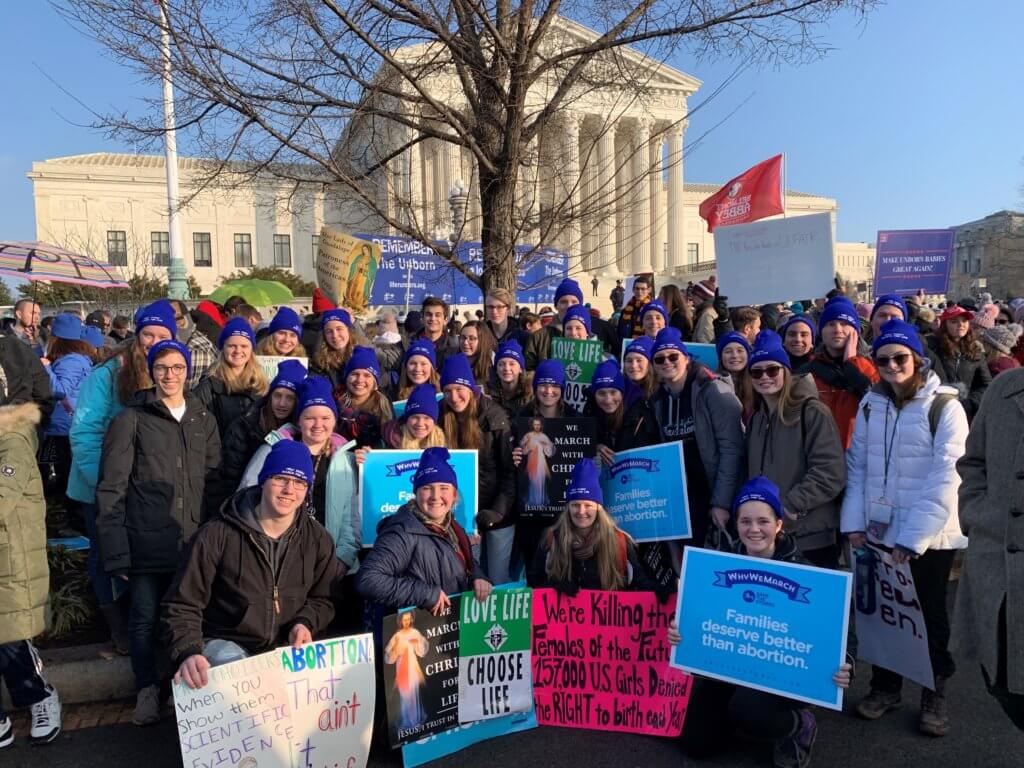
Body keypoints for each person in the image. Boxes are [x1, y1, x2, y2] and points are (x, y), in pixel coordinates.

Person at [841, 319, 968, 736]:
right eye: (883, 358)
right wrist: (855, 524)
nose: (893, 365)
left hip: (929, 535)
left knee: (928, 615)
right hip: (880, 529)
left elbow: (948, 477)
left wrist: (914, 539)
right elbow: (857, 466)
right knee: (882, 612)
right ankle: (886, 686)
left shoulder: (944, 407)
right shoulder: (871, 404)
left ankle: (934, 691)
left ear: (916, 358)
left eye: (900, 357)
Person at [672, 476, 852, 767]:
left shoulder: (806, 573)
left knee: (748, 707)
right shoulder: (720, 565)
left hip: (779, 678)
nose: (754, 529)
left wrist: (847, 665)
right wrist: (679, 629)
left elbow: (840, 633)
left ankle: (797, 724)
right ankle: (736, 717)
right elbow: (697, 615)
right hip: (730, 669)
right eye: (745, 521)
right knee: (695, 741)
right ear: (737, 524)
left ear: (779, 524)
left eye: (763, 521)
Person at [96, 339, 220, 725]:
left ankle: (180, 689)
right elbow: (111, 489)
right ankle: (147, 688)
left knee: (192, 619)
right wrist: (116, 551)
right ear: (151, 371)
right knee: (144, 618)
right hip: (145, 541)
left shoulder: (202, 418)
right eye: (162, 368)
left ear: (188, 371)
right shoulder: (131, 419)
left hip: (193, 540)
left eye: (177, 368)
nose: (170, 375)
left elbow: (215, 481)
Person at [165, 440, 337, 687]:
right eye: (281, 479)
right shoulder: (216, 535)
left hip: (284, 647)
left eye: (299, 482)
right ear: (264, 479)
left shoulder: (317, 539)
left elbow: (324, 599)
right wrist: (189, 651)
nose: (289, 490)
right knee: (234, 666)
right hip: (225, 642)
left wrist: (304, 622)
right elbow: (182, 603)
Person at [68, 299, 176, 652]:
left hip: (144, 489)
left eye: (163, 334)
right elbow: (85, 433)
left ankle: (144, 620)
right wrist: (110, 482)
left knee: (139, 556)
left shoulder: (169, 373)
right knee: (105, 555)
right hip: (101, 485)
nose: (154, 340)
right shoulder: (108, 375)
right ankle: (117, 626)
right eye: (149, 333)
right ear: (137, 334)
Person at [241, 377, 361, 620]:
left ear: (335, 421)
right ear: (299, 420)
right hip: (280, 563)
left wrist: (341, 559)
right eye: (310, 417)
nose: (318, 424)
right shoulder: (274, 449)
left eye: (326, 418)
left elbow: (354, 516)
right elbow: (247, 496)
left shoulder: (345, 459)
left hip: (330, 566)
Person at [955, 367, 1024, 730]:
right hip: (997, 573)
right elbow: (973, 462)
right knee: (1002, 685)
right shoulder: (1004, 388)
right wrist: (976, 516)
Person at [745, 330, 847, 567]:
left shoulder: (810, 412)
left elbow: (831, 473)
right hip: (770, 537)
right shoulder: (757, 419)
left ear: (786, 372)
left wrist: (789, 506)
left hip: (810, 537)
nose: (764, 377)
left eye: (772, 370)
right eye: (757, 372)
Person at [356, 446, 492, 618]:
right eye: (427, 488)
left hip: (448, 631)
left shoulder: (451, 527)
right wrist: (424, 594)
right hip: (414, 635)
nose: (435, 496)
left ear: (454, 494)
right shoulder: (402, 532)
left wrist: (477, 578)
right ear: (416, 494)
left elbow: (463, 563)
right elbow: (368, 580)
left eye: (444, 488)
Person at [0, 401, 62, 747]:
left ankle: (40, 697)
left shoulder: (13, 438)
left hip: (11, 556)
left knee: (10, 637)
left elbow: (2, 496)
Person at [650, 327, 744, 550]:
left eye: (673, 356)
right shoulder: (659, 400)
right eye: (660, 358)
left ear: (686, 358)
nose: (667, 362)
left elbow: (732, 449)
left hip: (716, 493)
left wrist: (721, 502)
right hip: (686, 501)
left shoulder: (712, 389)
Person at [438, 354, 516, 583]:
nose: (454, 397)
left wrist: (499, 511)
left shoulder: (494, 418)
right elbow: (412, 426)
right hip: (460, 516)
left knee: (497, 579)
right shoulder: (441, 414)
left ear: (471, 389)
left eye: (459, 389)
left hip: (497, 512)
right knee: (468, 577)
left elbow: (510, 471)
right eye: (448, 390)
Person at [528, 459, 656, 593]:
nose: (581, 511)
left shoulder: (619, 541)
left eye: (588, 505)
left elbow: (639, 580)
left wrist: (655, 590)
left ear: (598, 508)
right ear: (568, 508)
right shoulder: (552, 539)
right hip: (565, 612)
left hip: (606, 612)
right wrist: (553, 586)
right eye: (575, 505)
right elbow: (534, 581)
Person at [209, 359, 306, 518]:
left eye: (290, 398)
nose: (282, 403)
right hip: (244, 507)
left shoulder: (300, 433)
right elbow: (227, 477)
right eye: (277, 395)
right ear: (270, 396)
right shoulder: (244, 426)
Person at [804, 297, 879, 449]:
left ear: (855, 331)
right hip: (822, 454)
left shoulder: (873, 367)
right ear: (821, 331)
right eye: (831, 324)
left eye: (844, 324)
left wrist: (852, 363)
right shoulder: (808, 371)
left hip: (860, 454)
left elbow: (879, 404)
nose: (837, 329)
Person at [38, 315, 93, 505]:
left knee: (66, 470)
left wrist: (46, 368)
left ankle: (72, 516)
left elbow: (60, 390)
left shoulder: (70, 361)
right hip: (67, 423)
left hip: (64, 425)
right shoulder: (78, 358)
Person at [193, 317, 268, 440]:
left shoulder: (261, 384)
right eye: (232, 346)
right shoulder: (208, 387)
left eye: (244, 346)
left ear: (251, 349)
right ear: (223, 348)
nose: (238, 351)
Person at [525, 278, 620, 368]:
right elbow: (529, 368)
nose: (569, 306)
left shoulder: (594, 333)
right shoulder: (539, 337)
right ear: (556, 305)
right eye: (563, 302)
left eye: (574, 302)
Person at [585, 359, 659, 465]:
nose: (608, 400)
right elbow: (582, 442)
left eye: (613, 392)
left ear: (622, 393)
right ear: (594, 395)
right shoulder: (590, 411)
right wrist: (595, 447)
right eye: (601, 393)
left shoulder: (640, 414)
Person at [928, 305, 991, 422]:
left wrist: (970, 402)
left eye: (964, 321)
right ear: (944, 325)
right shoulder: (931, 347)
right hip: (935, 408)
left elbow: (986, 384)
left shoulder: (975, 349)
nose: (961, 325)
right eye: (954, 321)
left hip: (965, 412)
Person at [334, 346, 394, 446]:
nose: (360, 380)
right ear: (346, 378)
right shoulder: (334, 403)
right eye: (354, 374)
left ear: (375, 383)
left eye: (367, 375)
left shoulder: (384, 406)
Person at [385, 610, 430, 729]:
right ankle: (407, 721)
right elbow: (388, 654)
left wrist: (417, 642)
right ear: (400, 621)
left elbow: (422, 650)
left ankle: (415, 721)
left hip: (413, 668)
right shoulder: (398, 635)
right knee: (404, 693)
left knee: (413, 693)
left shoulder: (415, 632)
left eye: (408, 619)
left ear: (411, 619)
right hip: (402, 668)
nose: (406, 622)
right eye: (404, 620)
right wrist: (395, 649)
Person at [381, 383, 447, 449]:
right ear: (407, 419)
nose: (420, 423)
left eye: (427, 418)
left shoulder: (441, 442)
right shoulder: (388, 442)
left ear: (434, 422)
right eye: (415, 417)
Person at [169, 299, 218, 389]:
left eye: (176, 319)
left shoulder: (196, 351)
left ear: (184, 320)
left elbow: (188, 394)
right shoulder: (186, 342)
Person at [309, 308, 361, 387]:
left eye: (339, 329)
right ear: (324, 336)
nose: (335, 335)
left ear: (348, 330)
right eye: (329, 331)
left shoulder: (362, 357)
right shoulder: (319, 364)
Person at [716, 331, 754, 422]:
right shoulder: (713, 386)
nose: (735, 356)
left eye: (740, 350)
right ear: (721, 357)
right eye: (728, 351)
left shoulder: (757, 383)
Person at [487, 340, 532, 418]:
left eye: (512, 364)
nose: (507, 368)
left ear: (521, 369)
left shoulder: (530, 396)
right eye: (501, 364)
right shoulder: (488, 392)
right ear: (496, 370)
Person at [413, 297, 460, 369]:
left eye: (438, 315)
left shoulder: (455, 348)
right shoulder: (409, 344)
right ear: (422, 318)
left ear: (445, 320)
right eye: (428, 314)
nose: (433, 318)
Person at [691, 279, 731, 344]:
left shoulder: (707, 314)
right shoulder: (707, 311)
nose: (692, 298)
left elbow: (705, 341)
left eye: (694, 294)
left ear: (701, 296)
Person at [459, 320, 497, 386]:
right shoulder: (454, 362)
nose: (465, 342)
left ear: (482, 340)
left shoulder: (493, 364)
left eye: (471, 338)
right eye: (463, 337)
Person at [617, 275, 654, 340]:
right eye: (637, 288)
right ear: (633, 290)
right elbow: (620, 330)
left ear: (649, 290)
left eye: (643, 289)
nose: (639, 292)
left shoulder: (653, 309)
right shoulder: (626, 308)